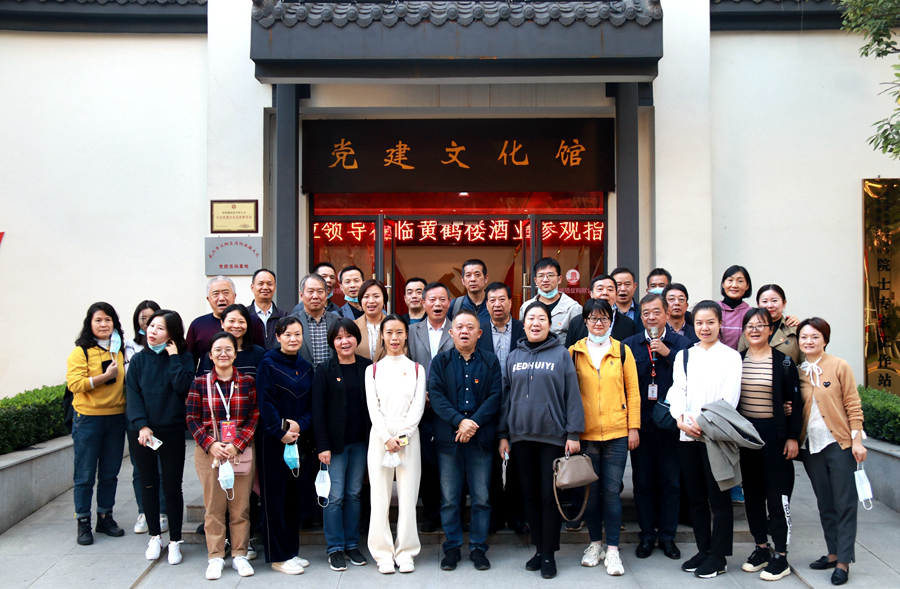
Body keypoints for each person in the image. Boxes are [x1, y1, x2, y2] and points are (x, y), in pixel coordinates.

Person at [499, 301, 584, 580]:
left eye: (541, 319)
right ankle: (538, 548)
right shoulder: (514, 356)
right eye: (531, 318)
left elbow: (572, 395)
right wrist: (503, 434)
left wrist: (573, 433)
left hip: (553, 437)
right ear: (523, 324)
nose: (536, 323)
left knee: (550, 497)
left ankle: (549, 553)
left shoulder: (561, 354)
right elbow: (505, 398)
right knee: (530, 496)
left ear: (550, 324)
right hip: (521, 436)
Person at [667, 300, 743, 579]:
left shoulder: (731, 357)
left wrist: (700, 422)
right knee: (696, 497)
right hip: (687, 435)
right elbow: (677, 390)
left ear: (720, 323)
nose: (705, 328)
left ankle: (719, 556)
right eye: (699, 322)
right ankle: (704, 549)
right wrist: (680, 419)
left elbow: (729, 399)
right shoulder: (685, 356)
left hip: (716, 437)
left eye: (710, 322)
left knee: (719, 498)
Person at [568, 299, 640, 576]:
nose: (598, 323)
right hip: (586, 434)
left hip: (616, 433)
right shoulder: (574, 352)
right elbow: (568, 395)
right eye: (593, 318)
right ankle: (595, 544)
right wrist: (572, 432)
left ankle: (612, 549)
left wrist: (633, 427)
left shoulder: (622, 350)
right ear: (585, 321)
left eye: (603, 318)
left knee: (611, 492)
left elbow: (633, 391)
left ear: (611, 321)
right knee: (591, 494)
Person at [429, 309, 502, 572]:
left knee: (481, 497)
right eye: (459, 327)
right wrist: (459, 421)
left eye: (470, 327)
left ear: (479, 333)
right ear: (451, 332)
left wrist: (473, 423)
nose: (464, 331)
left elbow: (495, 396)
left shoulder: (491, 361)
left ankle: (478, 547)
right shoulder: (440, 361)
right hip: (449, 440)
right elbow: (436, 396)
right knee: (450, 498)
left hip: (480, 440)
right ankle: (452, 547)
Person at [797, 317, 866, 587]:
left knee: (844, 504)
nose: (809, 341)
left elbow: (853, 404)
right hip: (811, 447)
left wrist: (857, 441)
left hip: (839, 445)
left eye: (815, 336)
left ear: (825, 340)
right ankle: (833, 552)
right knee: (825, 504)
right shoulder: (798, 371)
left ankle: (843, 562)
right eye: (804, 337)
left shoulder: (839, 366)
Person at [186, 331, 260, 580]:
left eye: (228, 349)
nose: (223, 354)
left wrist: (238, 444)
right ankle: (216, 556)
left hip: (239, 451)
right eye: (218, 349)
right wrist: (210, 444)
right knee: (214, 508)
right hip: (210, 452)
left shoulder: (247, 382)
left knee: (240, 508)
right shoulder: (200, 383)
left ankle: (240, 554)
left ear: (235, 354)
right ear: (210, 355)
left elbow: (254, 416)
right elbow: (192, 418)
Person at [623, 294, 691, 561]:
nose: (651, 317)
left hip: (671, 426)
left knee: (671, 483)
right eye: (646, 313)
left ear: (666, 313)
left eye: (656, 312)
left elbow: (692, 380)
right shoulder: (630, 345)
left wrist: (668, 354)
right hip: (641, 425)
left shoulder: (683, 345)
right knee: (642, 483)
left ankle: (667, 536)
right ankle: (647, 536)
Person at [736, 308, 803, 582]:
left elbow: (795, 403)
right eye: (750, 326)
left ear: (770, 330)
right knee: (752, 496)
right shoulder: (737, 360)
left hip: (775, 437)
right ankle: (761, 548)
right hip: (747, 436)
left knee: (777, 497)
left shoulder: (784, 362)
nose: (755, 330)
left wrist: (793, 437)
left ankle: (782, 555)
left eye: (760, 326)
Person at [126, 309, 194, 564]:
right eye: (151, 326)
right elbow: (132, 395)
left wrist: (174, 357)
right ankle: (155, 536)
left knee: (172, 487)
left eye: (160, 328)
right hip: (144, 433)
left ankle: (175, 541)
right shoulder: (138, 360)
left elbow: (184, 387)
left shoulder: (184, 358)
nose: (152, 331)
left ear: (172, 334)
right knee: (149, 484)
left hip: (172, 431)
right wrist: (142, 425)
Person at [366, 314, 428, 574]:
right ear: (382, 336)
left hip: (408, 437)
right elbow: (373, 408)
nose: (394, 338)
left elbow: (418, 406)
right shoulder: (373, 369)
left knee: (408, 495)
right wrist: (386, 438)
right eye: (389, 332)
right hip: (380, 436)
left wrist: (402, 437)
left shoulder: (416, 369)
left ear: (406, 335)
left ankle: (406, 552)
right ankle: (382, 553)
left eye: (399, 332)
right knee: (379, 497)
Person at [312, 318, 372, 572]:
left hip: (361, 442)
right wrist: (322, 445)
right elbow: (317, 411)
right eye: (338, 337)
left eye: (349, 336)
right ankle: (335, 548)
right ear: (332, 342)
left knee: (354, 494)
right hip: (334, 446)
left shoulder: (368, 367)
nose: (344, 341)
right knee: (334, 497)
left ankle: (351, 544)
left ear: (357, 338)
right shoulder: (324, 370)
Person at [255, 316, 315, 575]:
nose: (293, 339)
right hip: (273, 441)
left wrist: (300, 425)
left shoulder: (306, 367)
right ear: (278, 337)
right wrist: (281, 431)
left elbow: (312, 405)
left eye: (297, 334)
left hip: (299, 439)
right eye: (287, 334)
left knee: (293, 499)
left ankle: (291, 551)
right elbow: (265, 403)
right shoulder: (268, 363)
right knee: (275, 499)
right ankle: (278, 556)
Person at [67, 302, 128, 545]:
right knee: (85, 474)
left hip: (116, 418)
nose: (104, 324)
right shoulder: (81, 352)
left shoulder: (119, 350)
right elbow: (75, 384)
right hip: (88, 419)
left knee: (110, 473)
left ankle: (105, 517)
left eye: (108, 320)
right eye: (98, 320)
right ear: (90, 324)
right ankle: (83, 521)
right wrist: (105, 377)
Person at [482, 282, 528, 535]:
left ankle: (517, 515)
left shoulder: (524, 329)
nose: (497, 304)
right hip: (487, 403)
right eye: (492, 300)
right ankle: (494, 515)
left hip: (519, 402)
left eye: (502, 299)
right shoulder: (478, 330)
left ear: (511, 302)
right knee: (490, 462)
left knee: (518, 461)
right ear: (486, 304)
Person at [123, 300, 167, 536]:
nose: (149, 325)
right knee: (140, 469)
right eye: (144, 320)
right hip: (138, 421)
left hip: (163, 420)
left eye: (154, 321)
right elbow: (132, 389)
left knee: (161, 468)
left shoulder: (171, 353)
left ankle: (162, 512)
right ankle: (144, 511)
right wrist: (140, 424)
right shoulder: (129, 348)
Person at [565, 274, 639, 348]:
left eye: (610, 289)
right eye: (600, 289)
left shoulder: (629, 324)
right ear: (591, 294)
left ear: (616, 294)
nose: (605, 293)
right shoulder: (576, 322)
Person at [738, 284, 804, 365]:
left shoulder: (795, 330)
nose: (769, 305)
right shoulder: (750, 330)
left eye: (774, 301)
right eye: (764, 301)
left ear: (784, 303)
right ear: (758, 304)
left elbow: (806, 364)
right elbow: (740, 361)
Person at [519, 257, 582, 339]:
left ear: (559, 279)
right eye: (541, 276)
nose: (545, 280)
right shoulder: (525, 307)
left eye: (550, 275)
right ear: (535, 281)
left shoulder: (573, 308)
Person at [199, 304, 266, 378]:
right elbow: (206, 381)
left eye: (241, 322)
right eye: (231, 321)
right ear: (222, 323)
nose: (236, 326)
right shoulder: (215, 353)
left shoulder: (258, 353)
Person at [187, 276, 237, 374]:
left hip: (242, 381)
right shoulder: (198, 324)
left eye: (226, 293)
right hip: (206, 381)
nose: (221, 298)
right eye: (216, 294)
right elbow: (189, 360)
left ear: (234, 296)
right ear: (208, 299)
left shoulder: (247, 322)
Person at [291, 273, 341, 368]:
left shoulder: (338, 321)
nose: (315, 296)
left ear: (326, 295)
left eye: (320, 292)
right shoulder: (290, 323)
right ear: (301, 295)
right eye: (310, 291)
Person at [248, 269, 287, 350]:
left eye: (269, 284)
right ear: (252, 287)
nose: (265, 287)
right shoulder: (244, 315)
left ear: (275, 287)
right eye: (260, 284)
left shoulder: (285, 317)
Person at [717, 265, 753, 350]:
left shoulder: (751, 313)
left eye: (740, 281)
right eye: (730, 280)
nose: (734, 285)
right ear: (723, 284)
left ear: (747, 286)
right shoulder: (713, 310)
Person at [355, 279, 389, 362]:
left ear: (384, 299)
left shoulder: (394, 326)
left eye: (376, 296)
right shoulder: (353, 327)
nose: (371, 301)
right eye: (366, 297)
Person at [449, 259, 491, 327]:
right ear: (463, 280)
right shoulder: (454, 305)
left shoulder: (495, 305)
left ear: (486, 278)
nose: (473, 279)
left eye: (477, 275)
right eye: (468, 275)